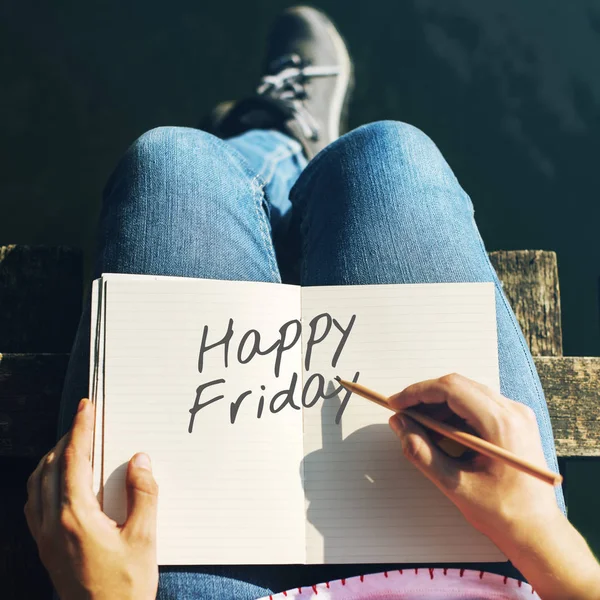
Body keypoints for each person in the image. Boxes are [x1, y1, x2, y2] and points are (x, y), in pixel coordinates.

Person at [24, 6, 600, 599]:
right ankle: (285, 154)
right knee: (387, 155)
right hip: (478, 576)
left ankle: (267, 150)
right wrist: (547, 538)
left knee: (172, 164)